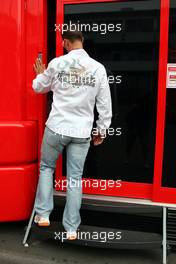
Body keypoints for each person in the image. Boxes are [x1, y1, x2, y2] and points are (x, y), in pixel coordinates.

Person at [32, 28, 112, 240]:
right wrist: (102, 129)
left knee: (47, 168)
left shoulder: (57, 63)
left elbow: (39, 88)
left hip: (56, 127)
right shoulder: (98, 68)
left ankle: (43, 214)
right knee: (75, 178)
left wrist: (40, 76)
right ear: (82, 40)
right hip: (81, 131)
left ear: (65, 42)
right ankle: (71, 229)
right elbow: (104, 103)